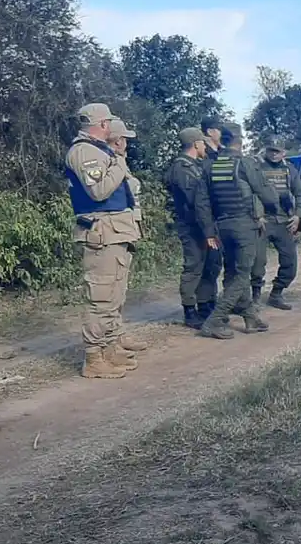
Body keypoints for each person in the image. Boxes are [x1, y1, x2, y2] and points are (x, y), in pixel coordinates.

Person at [65, 103, 146, 378]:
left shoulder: (99, 151)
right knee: (100, 298)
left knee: (113, 295)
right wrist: (119, 162)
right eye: (109, 122)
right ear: (102, 124)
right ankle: (94, 358)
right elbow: (99, 191)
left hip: (113, 231)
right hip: (102, 232)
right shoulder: (84, 152)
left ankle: (109, 348)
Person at [199, 121, 274, 339]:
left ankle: (250, 317)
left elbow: (202, 202)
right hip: (244, 225)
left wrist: (208, 231)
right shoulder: (244, 163)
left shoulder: (209, 165)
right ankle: (214, 320)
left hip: (222, 226)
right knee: (242, 275)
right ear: (240, 141)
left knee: (232, 271)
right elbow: (266, 193)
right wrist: (274, 206)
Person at [165, 127, 222, 328]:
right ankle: (190, 310)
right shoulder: (182, 168)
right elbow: (194, 199)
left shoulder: (196, 165)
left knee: (211, 266)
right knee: (194, 267)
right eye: (202, 143)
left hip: (205, 224)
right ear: (196, 144)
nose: (205, 146)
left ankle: (206, 304)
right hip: (192, 226)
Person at [249, 137, 301, 309]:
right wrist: (257, 216)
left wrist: (297, 216)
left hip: (284, 221)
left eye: (277, 151)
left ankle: (276, 293)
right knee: (257, 262)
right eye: (271, 150)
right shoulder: (256, 167)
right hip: (262, 221)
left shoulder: (290, 169)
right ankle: (255, 296)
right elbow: (250, 194)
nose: (274, 154)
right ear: (266, 150)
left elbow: (300, 194)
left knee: (290, 263)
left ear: (284, 153)